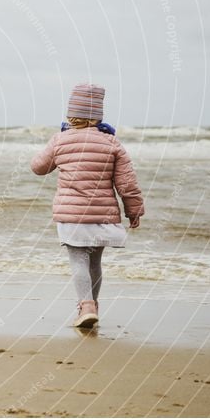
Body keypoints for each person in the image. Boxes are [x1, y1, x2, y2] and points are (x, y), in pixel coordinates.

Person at [30, 83, 145, 328]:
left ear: (70, 114)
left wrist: (59, 145)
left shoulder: (60, 140)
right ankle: (92, 306)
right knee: (94, 262)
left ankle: (86, 306)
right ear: (98, 116)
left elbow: (39, 168)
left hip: (71, 216)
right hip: (102, 216)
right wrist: (133, 210)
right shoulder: (111, 142)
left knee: (78, 261)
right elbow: (126, 183)